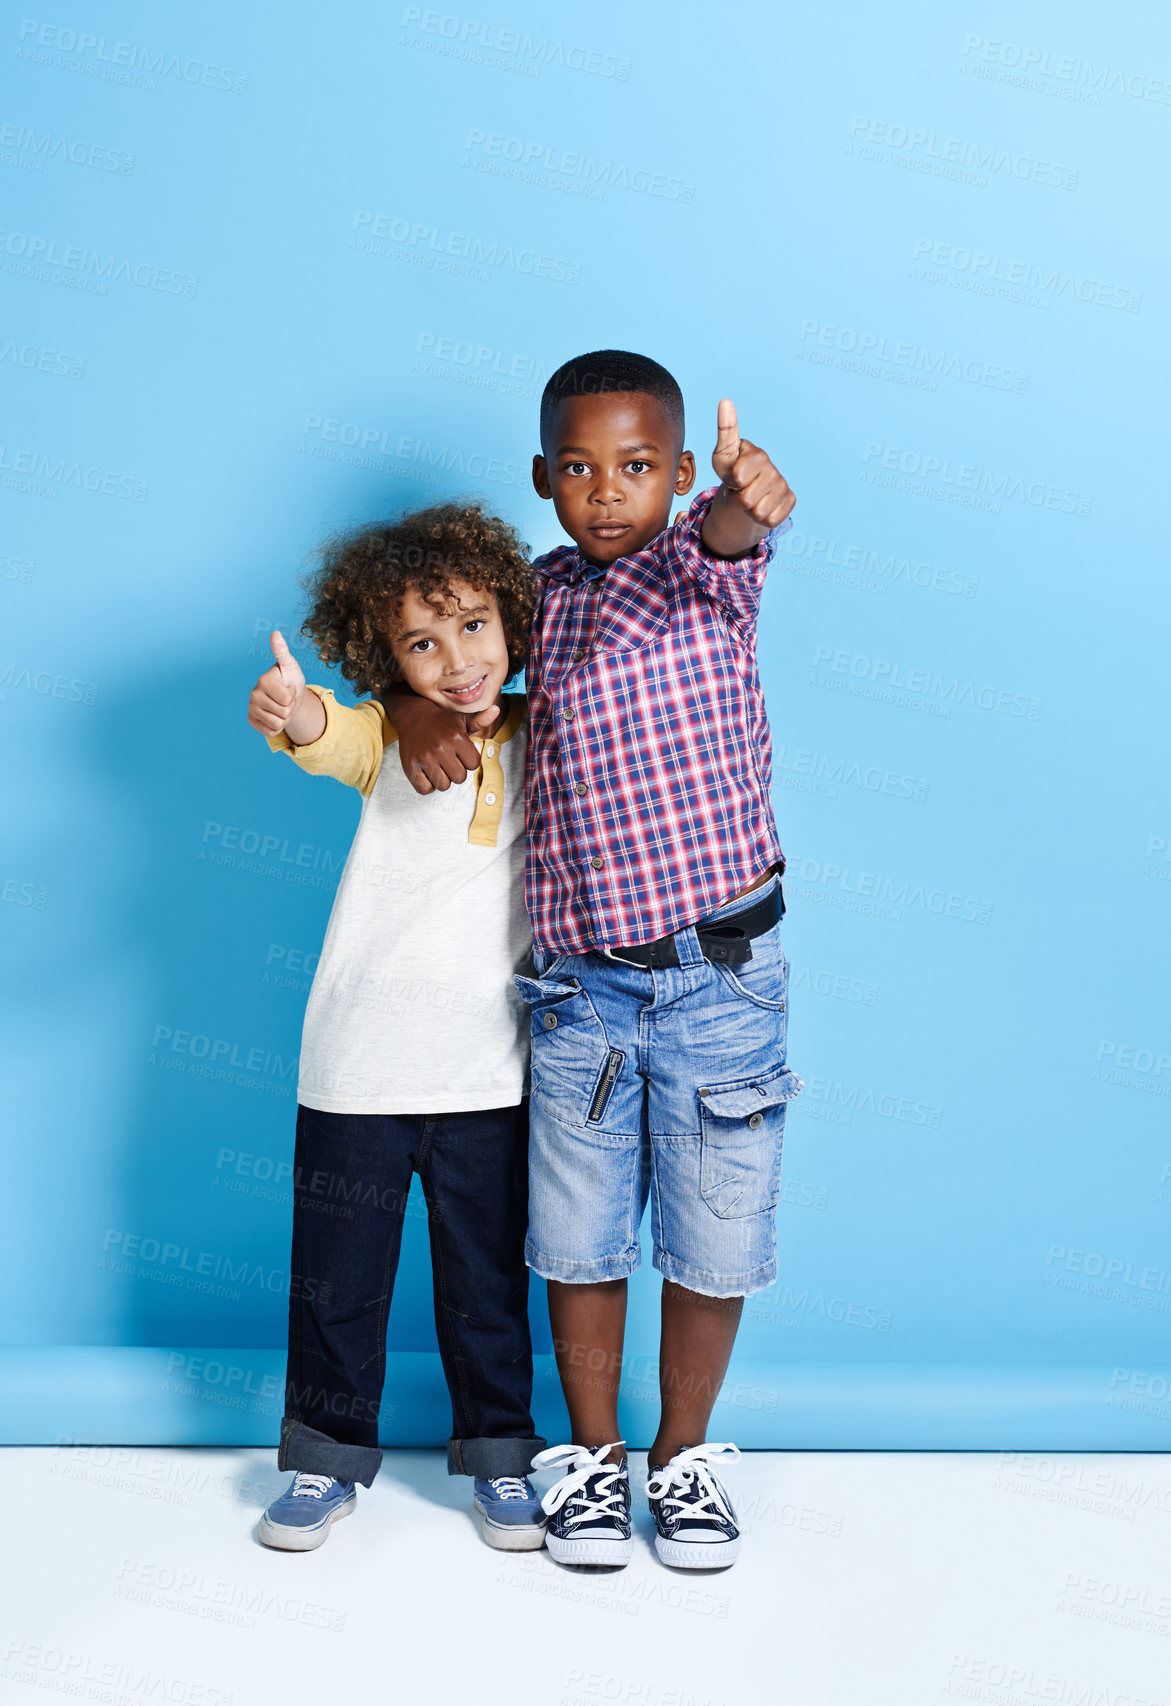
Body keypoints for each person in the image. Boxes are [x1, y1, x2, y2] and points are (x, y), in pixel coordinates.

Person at [389, 350, 802, 1570]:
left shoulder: (698, 574)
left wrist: (742, 496)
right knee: (576, 1236)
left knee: (713, 1230)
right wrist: (412, 704)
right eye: (579, 468)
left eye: (636, 468)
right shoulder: (533, 596)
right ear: (541, 479)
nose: (607, 490)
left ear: (676, 473)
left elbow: (729, 535)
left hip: (719, 976)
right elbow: (449, 653)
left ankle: (682, 1457)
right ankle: (589, 1457)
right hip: (580, 989)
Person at [244, 502, 548, 1552]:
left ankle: (501, 1455)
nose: (455, 658)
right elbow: (328, 739)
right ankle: (324, 1461)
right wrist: (300, 712)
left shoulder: (549, 730)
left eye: (471, 625)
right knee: (337, 1281)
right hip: (356, 1069)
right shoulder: (386, 731)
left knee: (487, 1287)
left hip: (491, 1074)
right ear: (387, 657)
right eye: (421, 641)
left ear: (513, 614)